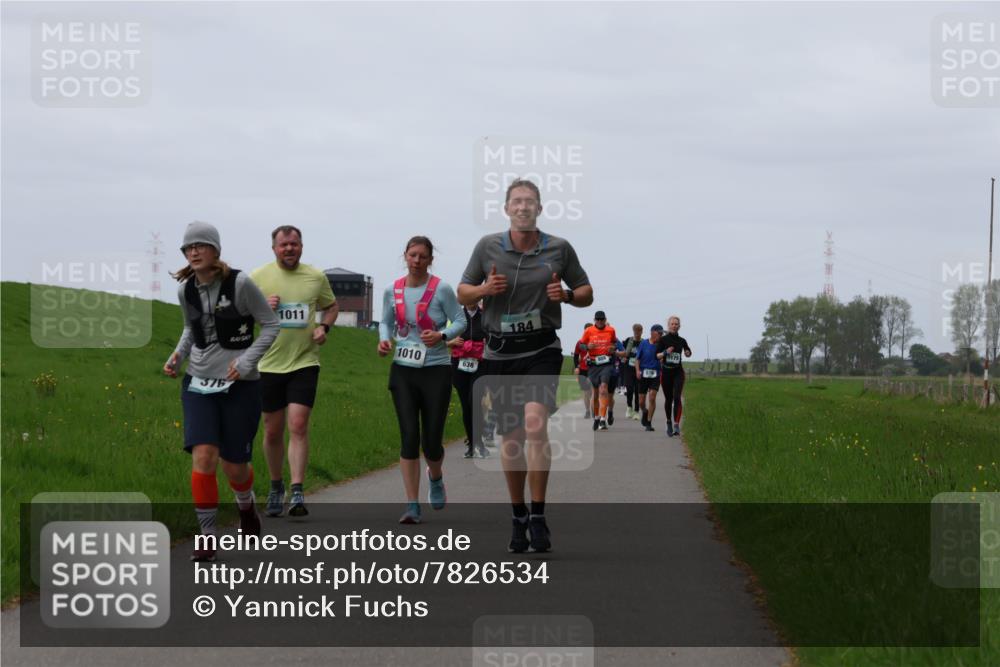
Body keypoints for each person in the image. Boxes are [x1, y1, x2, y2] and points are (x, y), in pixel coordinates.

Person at [458, 178, 593, 553]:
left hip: (541, 350)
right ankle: (517, 514)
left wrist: (565, 295)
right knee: (512, 437)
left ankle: (538, 513)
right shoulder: (487, 248)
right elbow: (463, 291)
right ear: (506, 209)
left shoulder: (559, 248)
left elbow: (586, 293)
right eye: (516, 202)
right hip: (499, 353)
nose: (522, 207)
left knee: (535, 423)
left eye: (529, 201)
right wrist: (485, 290)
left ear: (539, 208)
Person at [163, 221, 280, 562]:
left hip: (240, 387)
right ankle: (207, 535)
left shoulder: (240, 283)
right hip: (198, 383)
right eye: (188, 248)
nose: (194, 251)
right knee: (203, 456)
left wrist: (246, 361)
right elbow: (191, 328)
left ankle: (246, 507)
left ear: (215, 250)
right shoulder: (185, 290)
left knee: (235, 468)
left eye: (201, 245)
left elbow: (270, 324)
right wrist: (177, 356)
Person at [251, 225, 338, 518]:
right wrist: (261, 307)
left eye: (295, 244)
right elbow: (241, 314)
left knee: (298, 425)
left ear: (302, 246)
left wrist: (324, 327)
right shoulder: (257, 277)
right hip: (269, 364)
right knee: (272, 430)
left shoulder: (315, 277)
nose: (289, 249)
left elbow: (332, 306)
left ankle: (298, 489)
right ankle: (276, 486)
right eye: (284, 245)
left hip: (304, 362)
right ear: (274, 248)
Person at [378, 236, 466, 524]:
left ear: (430, 260)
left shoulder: (441, 289)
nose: (416, 261)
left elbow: (461, 321)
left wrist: (442, 335)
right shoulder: (392, 289)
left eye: (422, 257)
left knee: (430, 442)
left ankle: (436, 477)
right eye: (412, 255)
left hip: (436, 369)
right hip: (403, 369)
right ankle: (412, 504)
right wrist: (383, 341)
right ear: (405, 256)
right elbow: (387, 322)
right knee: (409, 438)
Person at [447, 301, 489, 459]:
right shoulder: (455, 316)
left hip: (480, 364)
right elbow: (444, 337)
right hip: (459, 364)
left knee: (474, 401)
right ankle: (472, 444)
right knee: (466, 404)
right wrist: (451, 342)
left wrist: (488, 344)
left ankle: (479, 443)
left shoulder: (485, 315)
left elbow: (494, 336)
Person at [579, 311, 618, 431]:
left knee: (603, 388)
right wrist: (587, 347)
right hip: (593, 365)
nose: (600, 322)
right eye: (598, 319)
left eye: (602, 319)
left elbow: (614, 343)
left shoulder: (611, 330)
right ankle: (596, 417)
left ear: (605, 319)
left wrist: (613, 348)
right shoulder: (589, 331)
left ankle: (602, 418)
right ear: (595, 320)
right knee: (595, 393)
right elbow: (580, 345)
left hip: (606, 364)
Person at [657, 315, 693, 436]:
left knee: (677, 397)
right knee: (669, 399)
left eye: (676, 324)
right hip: (666, 372)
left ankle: (676, 424)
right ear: (669, 325)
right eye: (672, 324)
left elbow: (688, 351)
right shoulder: (663, 340)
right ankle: (668, 422)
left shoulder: (682, 340)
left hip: (678, 372)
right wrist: (666, 352)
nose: (674, 326)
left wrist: (687, 353)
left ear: (679, 326)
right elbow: (657, 356)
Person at [634, 324, 664, 432]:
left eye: (661, 333)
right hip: (643, 374)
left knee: (652, 397)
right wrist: (637, 370)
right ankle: (644, 411)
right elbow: (637, 359)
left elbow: (663, 357)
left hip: (655, 374)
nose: (660, 335)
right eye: (659, 333)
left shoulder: (661, 345)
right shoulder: (643, 343)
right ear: (652, 332)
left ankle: (649, 422)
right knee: (641, 401)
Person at [622, 324, 644, 420]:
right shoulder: (628, 340)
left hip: (639, 369)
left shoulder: (644, 342)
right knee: (630, 389)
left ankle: (636, 411)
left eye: (639, 331)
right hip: (629, 368)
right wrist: (623, 358)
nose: (637, 333)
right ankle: (629, 407)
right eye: (635, 331)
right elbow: (622, 351)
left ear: (641, 332)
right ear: (633, 331)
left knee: (637, 390)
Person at [572, 323, 592, 419]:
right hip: (583, 370)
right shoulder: (580, 342)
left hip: (593, 369)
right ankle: (587, 410)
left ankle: (593, 408)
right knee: (586, 392)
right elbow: (576, 356)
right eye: (586, 331)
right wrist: (576, 367)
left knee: (592, 391)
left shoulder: (595, 341)